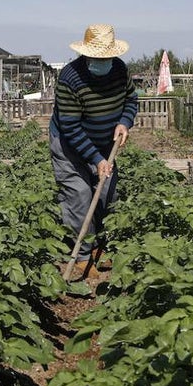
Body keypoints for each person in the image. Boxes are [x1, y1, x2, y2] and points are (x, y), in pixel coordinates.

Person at [50, 23, 138, 279]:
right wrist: (96, 159)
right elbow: (71, 127)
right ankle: (81, 258)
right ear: (86, 55)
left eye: (107, 57)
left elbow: (131, 100)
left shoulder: (120, 70)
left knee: (106, 195)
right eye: (97, 58)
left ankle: (98, 245)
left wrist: (125, 122)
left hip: (104, 142)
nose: (103, 62)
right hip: (69, 144)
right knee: (78, 195)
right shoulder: (70, 78)